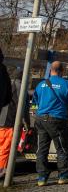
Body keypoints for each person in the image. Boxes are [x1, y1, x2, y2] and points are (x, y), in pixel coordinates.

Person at [32, 61, 68, 186]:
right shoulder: (67, 84)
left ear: (50, 70)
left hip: (41, 119)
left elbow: (35, 103)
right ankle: (64, 175)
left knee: (42, 149)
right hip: (57, 119)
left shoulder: (41, 84)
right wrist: (66, 116)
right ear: (62, 71)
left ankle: (41, 178)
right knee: (62, 148)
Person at [0, 48, 16, 179]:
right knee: (4, 147)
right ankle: (1, 170)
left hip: (3, 119)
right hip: (6, 120)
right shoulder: (2, 71)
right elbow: (8, 97)